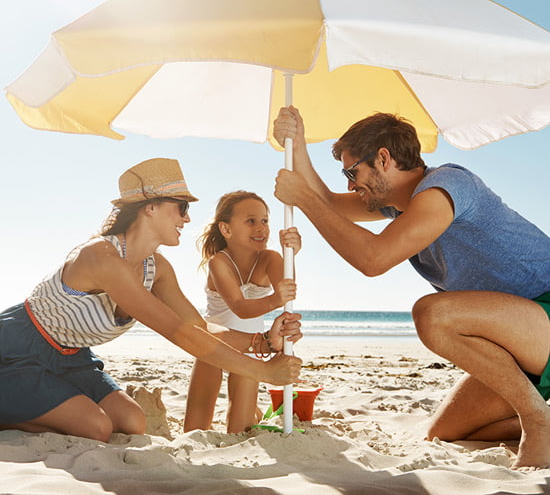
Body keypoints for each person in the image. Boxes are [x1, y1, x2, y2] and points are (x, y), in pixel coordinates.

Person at [272, 106, 550, 468]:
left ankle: (537, 421)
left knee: (433, 315)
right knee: (443, 434)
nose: (350, 184)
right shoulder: (400, 207)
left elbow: (374, 259)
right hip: (515, 345)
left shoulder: (445, 188)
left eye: (352, 171)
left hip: (542, 319)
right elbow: (330, 205)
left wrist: (303, 199)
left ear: (384, 158)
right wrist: (297, 147)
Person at [0, 158, 302, 443]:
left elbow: (198, 327)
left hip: (72, 358)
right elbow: (180, 334)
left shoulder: (157, 269)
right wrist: (263, 372)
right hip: (17, 349)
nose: (188, 217)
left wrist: (262, 342)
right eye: (182, 206)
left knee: (133, 421)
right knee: (97, 427)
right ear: (150, 207)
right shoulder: (101, 257)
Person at [184, 191, 301, 433]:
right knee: (194, 429)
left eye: (265, 221)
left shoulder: (270, 258)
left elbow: (287, 287)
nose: (261, 228)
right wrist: (276, 298)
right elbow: (240, 307)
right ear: (226, 230)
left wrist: (291, 255)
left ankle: (252, 413)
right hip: (214, 345)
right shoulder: (219, 262)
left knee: (238, 430)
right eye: (251, 221)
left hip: (251, 349)